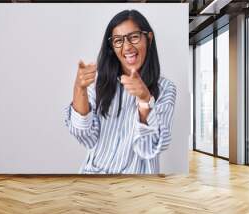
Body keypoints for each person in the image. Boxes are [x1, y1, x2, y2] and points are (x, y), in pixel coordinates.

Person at [64, 9, 177, 174]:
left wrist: (145, 100)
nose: (127, 47)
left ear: (149, 38)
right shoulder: (98, 82)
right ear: (112, 46)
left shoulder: (166, 88)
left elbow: (150, 148)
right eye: (118, 40)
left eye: (134, 37)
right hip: (94, 179)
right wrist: (79, 88)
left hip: (137, 186)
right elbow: (86, 136)